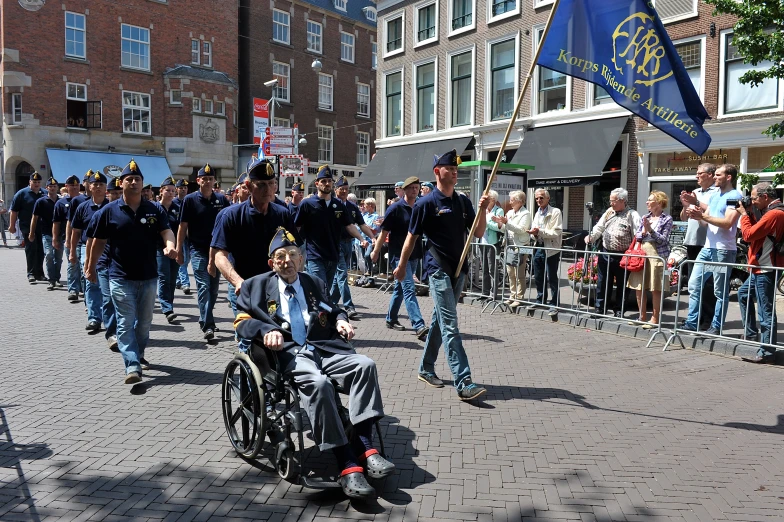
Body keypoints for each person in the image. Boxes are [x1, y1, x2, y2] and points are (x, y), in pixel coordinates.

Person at [235, 228, 393, 499]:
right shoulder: (256, 285)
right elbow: (240, 322)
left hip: (325, 348)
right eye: (280, 256)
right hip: (288, 354)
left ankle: (366, 447)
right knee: (319, 384)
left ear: (302, 259)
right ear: (271, 263)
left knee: (365, 364)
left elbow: (333, 308)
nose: (287, 261)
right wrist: (264, 330)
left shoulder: (313, 283)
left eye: (293, 255)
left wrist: (341, 319)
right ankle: (346, 461)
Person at [395, 149, 490, 401]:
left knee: (439, 320)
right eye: (450, 168)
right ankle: (464, 381)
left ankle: (426, 368)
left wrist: (482, 211)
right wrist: (402, 266)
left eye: (457, 168)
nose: (455, 171)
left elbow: (478, 233)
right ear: (438, 172)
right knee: (450, 325)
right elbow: (410, 238)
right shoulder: (425, 204)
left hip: (460, 270)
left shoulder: (462, 202)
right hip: (437, 271)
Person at [86, 160, 177, 384]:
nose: (133, 182)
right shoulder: (109, 211)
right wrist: (90, 267)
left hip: (148, 276)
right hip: (120, 276)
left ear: (143, 185)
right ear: (121, 183)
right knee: (125, 322)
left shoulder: (153, 209)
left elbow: (166, 231)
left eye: (137, 179)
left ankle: (138, 353)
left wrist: (170, 245)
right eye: (129, 179)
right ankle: (132, 365)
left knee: (144, 323)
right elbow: (98, 242)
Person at [212, 157, 297, 320]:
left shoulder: (283, 214)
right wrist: (237, 282)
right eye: (261, 184)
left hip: (275, 286)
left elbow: (294, 250)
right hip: (245, 285)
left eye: (271, 183)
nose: (268, 189)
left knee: (275, 331)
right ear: (249, 186)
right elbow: (219, 255)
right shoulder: (231, 215)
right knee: (248, 335)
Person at [680, 164, 743, 334]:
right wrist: (695, 208)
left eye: (718, 175)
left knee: (719, 291)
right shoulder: (716, 195)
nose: (714, 177)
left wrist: (702, 215)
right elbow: (708, 216)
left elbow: (728, 223)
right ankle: (692, 323)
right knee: (694, 284)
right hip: (708, 249)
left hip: (723, 251)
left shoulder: (734, 196)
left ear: (728, 177)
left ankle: (716, 326)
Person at [293, 165, 368, 296]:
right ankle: (317, 314)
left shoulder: (338, 205)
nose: (327, 184)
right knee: (319, 289)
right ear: (317, 183)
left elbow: (349, 225)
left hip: (333, 255)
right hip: (315, 255)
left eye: (329, 181)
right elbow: (297, 226)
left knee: (325, 290)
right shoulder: (308, 204)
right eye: (323, 181)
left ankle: (322, 312)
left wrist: (361, 238)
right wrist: (292, 246)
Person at [177, 163, 230, 340]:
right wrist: (179, 250)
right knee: (203, 287)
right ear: (198, 180)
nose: (207, 182)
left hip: (218, 252)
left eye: (210, 179)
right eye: (204, 179)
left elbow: (230, 224)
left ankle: (205, 317)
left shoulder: (222, 201)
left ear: (215, 181)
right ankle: (208, 325)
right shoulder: (190, 200)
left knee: (214, 290)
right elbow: (182, 226)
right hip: (198, 250)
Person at [371, 176, 428, 339]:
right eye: (411, 188)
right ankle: (419, 325)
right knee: (409, 288)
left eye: (417, 188)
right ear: (404, 190)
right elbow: (384, 232)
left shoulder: (420, 206)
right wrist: (376, 251)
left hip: (415, 254)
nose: (414, 190)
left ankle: (391, 318)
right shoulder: (395, 208)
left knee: (400, 289)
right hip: (398, 255)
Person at [737, 183, 784, 364]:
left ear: (766, 197)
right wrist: (749, 213)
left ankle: (767, 351)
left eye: (755, 198)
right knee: (743, 294)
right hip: (760, 267)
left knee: (766, 311)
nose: (753, 201)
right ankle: (751, 334)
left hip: (766, 268)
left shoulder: (775, 214)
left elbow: (749, 235)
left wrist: (743, 215)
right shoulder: (771, 212)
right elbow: (759, 232)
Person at [584, 188, 641, 317]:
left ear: (622, 200)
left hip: (622, 255)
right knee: (602, 282)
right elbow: (599, 227)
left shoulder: (632, 215)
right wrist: (591, 236)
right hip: (605, 252)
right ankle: (600, 308)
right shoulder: (609, 212)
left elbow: (638, 235)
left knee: (622, 284)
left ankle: (619, 310)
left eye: (613, 201)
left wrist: (633, 253)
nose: (611, 203)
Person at [330, 177, 375, 318]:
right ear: (335, 189)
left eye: (346, 189)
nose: (343, 191)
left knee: (339, 277)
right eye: (341, 188)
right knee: (342, 275)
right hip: (335, 244)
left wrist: (372, 238)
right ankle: (349, 307)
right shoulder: (330, 204)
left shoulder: (352, 207)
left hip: (348, 243)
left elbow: (362, 225)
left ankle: (330, 303)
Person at [626, 191, 672, 328]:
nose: (647, 202)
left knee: (655, 287)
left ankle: (655, 318)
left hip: (657, 255)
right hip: (642, 253)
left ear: (658, 202)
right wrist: (644, 232)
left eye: (650, 200)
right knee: (639, 286)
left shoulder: (667, 219)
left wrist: (650, 230)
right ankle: (642, 316)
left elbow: (663, 240)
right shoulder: (645, 217)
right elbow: (638, 234)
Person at [71, 171, 109, 332]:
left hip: (108, 251)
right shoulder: (83, 207)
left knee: (107, 287)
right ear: (89, 186)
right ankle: (94, 318)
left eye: (101, 184)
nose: (98, 187)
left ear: (106, 187)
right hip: (86, 248)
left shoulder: (111, 206)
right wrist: (72, 251)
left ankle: (108, 319)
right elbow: (76, 231)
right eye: (95, 184)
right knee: (90, 282)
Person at [679, 164, 718, 291]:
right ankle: (695, 308)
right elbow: (683, 218)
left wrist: (697, 204)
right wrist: (685, 206)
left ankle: (706, 309)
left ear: (710, 175)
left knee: (708, 282)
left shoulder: (718, 192)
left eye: (700, 173)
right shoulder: (695, 192)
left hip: (709, 243)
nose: (697, 176)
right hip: (692, 241)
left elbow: (716, 212)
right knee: (693, 282)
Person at [492, 190, 531, 310]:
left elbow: (521, 229)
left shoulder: (526, 214)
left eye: (512, 200)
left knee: (520, 272)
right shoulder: (509, 212)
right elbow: (505, 229)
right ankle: (512, 295)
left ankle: (519, 297)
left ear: (520, 201)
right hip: (509, 245)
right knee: (510, 272)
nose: (510, 202)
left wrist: (507, 222)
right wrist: (499, 223)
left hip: (522, 246)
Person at [528, 189, 563, 317]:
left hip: (551, 248)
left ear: (548, 198)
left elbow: (556, 232)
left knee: (552, 276)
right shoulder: (537, 212)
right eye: (537, 198)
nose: (539, 200)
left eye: (541, 198)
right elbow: (534, 230)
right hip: (539, 246)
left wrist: (539, 232)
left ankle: (554, 303)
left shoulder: (555, 212)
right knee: (538, 275)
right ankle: (540, 299)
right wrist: (533, 234)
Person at [8, 171, 45, 283]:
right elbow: (14, 211)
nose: (36, 184)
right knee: (31, 249)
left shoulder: (44, 193)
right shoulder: (22, 193)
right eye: (34, 182)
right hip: (27, 226)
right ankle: (31, 273)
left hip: (42, 227)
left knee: (41, 250)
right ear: (30, 182)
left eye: (38, 182)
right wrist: (11, 225)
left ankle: (40, 273)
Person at [29, 177, 63, 290]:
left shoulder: (61, 201)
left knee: (58, 258)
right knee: (49, 255)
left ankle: (57, 278)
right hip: (46, 233)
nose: (52, 188)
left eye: (54, 186)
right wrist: (31, 232)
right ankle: (51, 280)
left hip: (60, 234)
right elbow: (34, 218)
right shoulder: (41, 201)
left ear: (57, 188)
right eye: (50, 186)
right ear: (46, 188)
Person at [156, 177, 181, 324]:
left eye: (173, 191)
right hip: (160, 248)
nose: (171, 193)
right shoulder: (155, 208)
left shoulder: (177, 209)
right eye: (168, 190)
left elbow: (182, 229)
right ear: (161, 191)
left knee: (172, 278)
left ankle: (169, 304)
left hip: (175, 248)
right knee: (164, 277)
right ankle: (167, 308)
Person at [52, 175, 82, 298]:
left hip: (83, 237)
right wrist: (55, 238)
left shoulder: (84, 200)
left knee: (83, 264)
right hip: (68, 237)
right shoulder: (61, 203)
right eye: (72, 185)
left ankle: (82, 288)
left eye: (76, 185)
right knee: (73, 263)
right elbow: (57, 222)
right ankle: (73, 289)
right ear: (66, 187)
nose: (74, 187)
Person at [481, 190, 505, 302]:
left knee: (492, 269)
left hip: (493, 243)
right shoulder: (483, 210)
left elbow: (498, 227)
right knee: (484, 268)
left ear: (493, 200)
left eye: (488, 198)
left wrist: (486, 222)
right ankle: (484, 292)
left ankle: (493, 293)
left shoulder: (499, 210)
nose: (485, 200)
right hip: (482, 242)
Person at [174, 179, 192, 295]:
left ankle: (177, 280)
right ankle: (185, 283)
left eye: (185, 188)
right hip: (177, 236)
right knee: (183, 260)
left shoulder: (190, 202)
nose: (183, 190)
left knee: (186, 259)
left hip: (189, 236)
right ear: (177, 189)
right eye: (181, 188)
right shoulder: (173, 202)